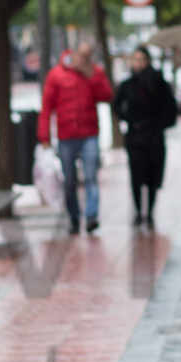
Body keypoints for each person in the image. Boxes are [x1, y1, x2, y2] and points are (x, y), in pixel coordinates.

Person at [38, 41, 113, 234]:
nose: (85, 60)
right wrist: (44, 136)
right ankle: (73, 217)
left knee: (91, 177)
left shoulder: (94, 72)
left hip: (90, 134)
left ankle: (91, 216)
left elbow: (106, 96)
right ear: (74, 53)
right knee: (69, 180)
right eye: (82, 55)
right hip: (66, 135)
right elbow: (47, 107)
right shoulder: (57, 74)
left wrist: (92, 76)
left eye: (89, 57)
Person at [114, 46, 177, 228]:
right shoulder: (126, 84)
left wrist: (160, 124)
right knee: (136, 175)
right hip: (135, 136)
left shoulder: (159, 82)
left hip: (154, 135)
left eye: (142, 59)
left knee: (152, 175)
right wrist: (130, 120)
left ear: (148, 61)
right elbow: (116, 106)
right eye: (136, 59)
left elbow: (169, 107)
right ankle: (137, 212)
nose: (139, 63)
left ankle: (148, 212)